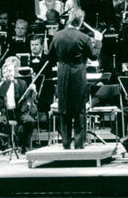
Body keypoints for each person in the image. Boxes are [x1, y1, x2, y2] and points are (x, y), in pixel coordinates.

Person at [49, 9, 102, 150]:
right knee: (79, 109)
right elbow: (94, 56)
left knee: (64, 108)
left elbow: (51, 56)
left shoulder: (57, 35)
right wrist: (98, 41)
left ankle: (66, 143)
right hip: (78, 73)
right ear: (81, 22)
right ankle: (78, 145)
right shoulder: (83, 37)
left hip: (62, 72)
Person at [0, 57, 37, 154]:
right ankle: (5, 144)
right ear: (2, 73)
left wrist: (29, 96)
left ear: (14, 72)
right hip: (3, 111)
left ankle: (24, 145)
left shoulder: (22, 83)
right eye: (5, 72)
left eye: (10, 71)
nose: (8, 74)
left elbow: (25, 99)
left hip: (17, 111)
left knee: (30, 121)